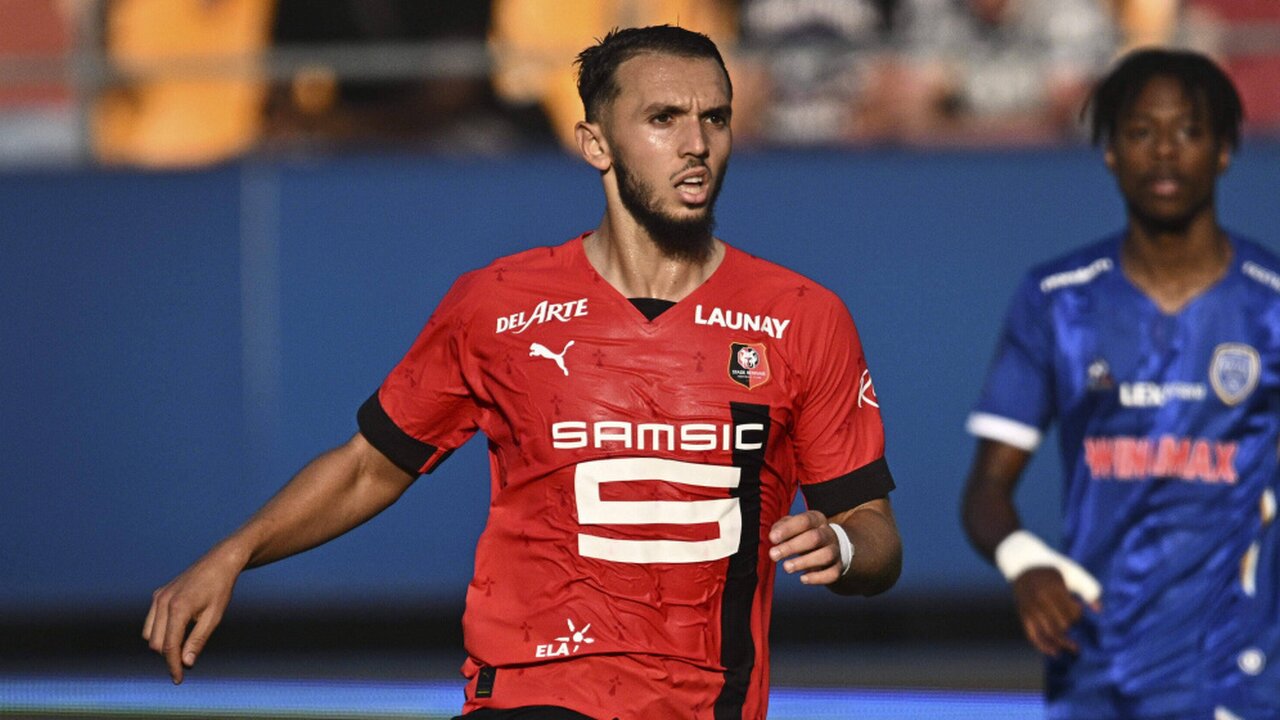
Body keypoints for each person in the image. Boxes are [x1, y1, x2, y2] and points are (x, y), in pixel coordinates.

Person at [144, 25, 903, 719]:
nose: (696, 143)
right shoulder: (496, 305)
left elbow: (874, 533)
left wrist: (840, 548)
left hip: (707, 703)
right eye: (663, 118)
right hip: (528, 693)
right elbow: (369, 466)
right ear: (595, 144)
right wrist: (234, 554)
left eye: (716, 117)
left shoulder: (803, 317)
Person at [961, 48, 1279, 719]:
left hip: (1239, 669)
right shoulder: (1057, 300)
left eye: (1188, 131)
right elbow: (987, 489)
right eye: (1140, 131)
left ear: (1224, 151)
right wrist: (1024, 561)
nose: (1164, 151)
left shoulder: (1271, 304)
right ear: (1109, 152)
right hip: (1096, 660)